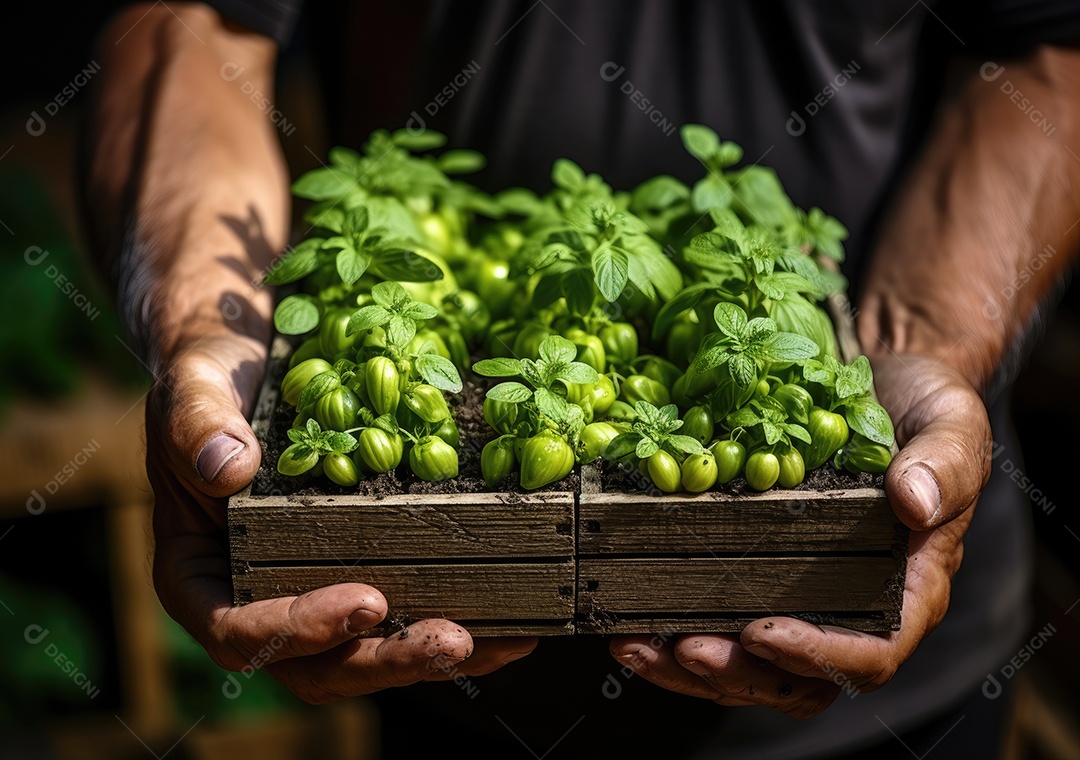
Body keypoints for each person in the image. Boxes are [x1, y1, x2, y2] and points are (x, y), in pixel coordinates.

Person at [81, 1, 1080, 757]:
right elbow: (189, 25)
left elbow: (1052, 44)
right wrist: (200, 324)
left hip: (888, 692)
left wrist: (928, 338)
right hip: (432, 644)